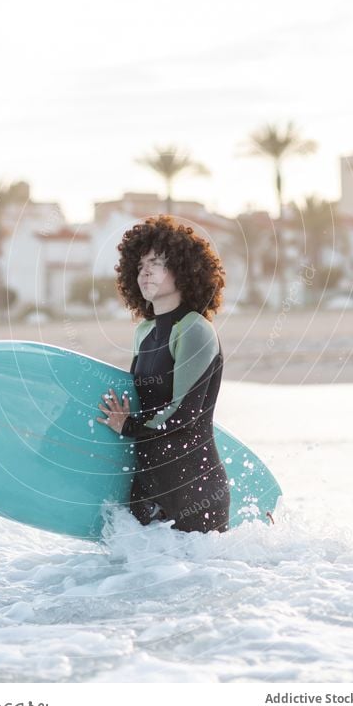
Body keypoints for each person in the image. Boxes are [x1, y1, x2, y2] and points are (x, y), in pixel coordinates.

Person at [96, 214, 230, 533]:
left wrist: (127, 426)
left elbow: (185, 414)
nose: (146, 272)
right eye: (140, 265)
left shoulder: (196, 330)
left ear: (183, 271)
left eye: (156, 263)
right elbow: (141, 403)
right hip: (147, 488)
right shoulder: (145, 332)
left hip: (195, 491)